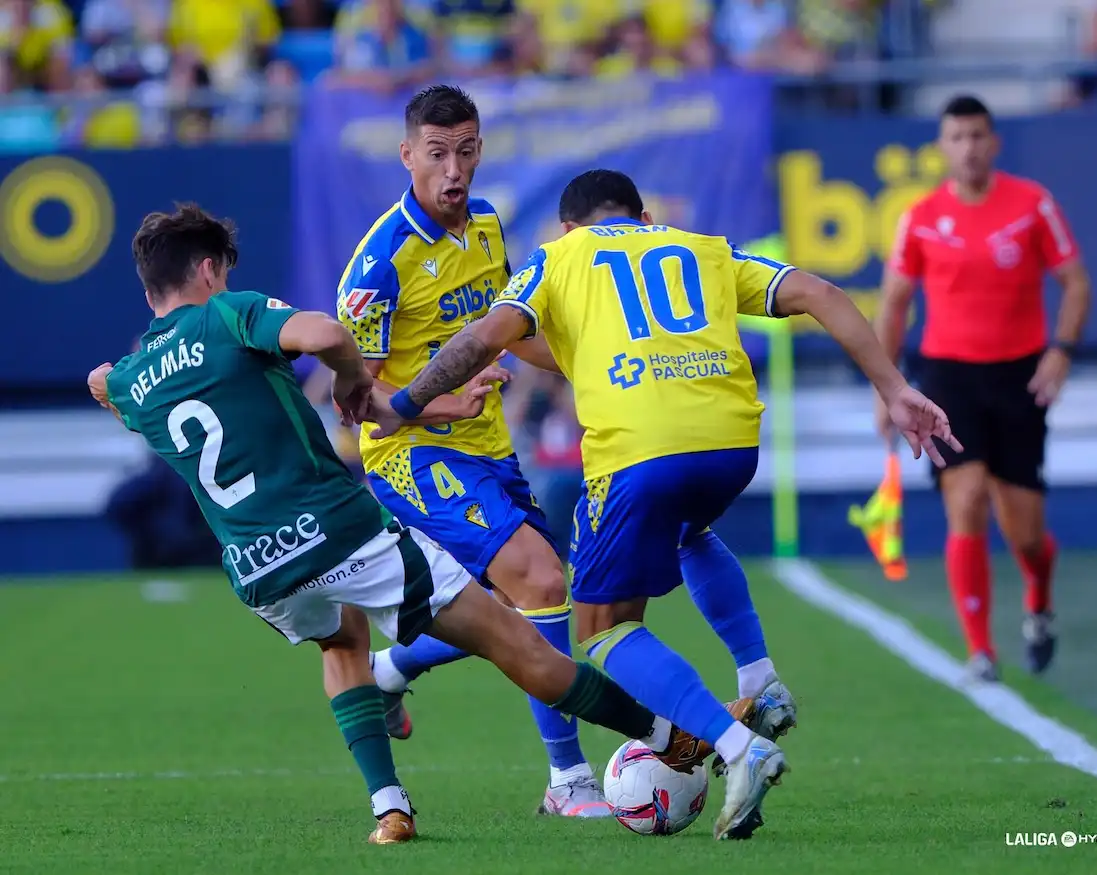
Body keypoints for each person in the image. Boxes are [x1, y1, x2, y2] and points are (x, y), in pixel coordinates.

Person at [85, 203, 756, 845]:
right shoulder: (228, 314)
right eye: (222, 275)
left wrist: (438, 410)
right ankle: (671, 736)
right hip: (341, 531)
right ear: (208, 271)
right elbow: (323, 334)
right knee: (512, 639)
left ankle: (389, 806)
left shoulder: (135, 380)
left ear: (150, 295)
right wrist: (349, 372)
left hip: (260, 570)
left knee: (341, 642)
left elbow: (104, 383)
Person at [363, 169, 960, 839]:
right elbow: (820, 292)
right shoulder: (702, 246)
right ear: (643, 216)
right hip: (734, 446)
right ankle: (758, 674)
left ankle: (735, 750)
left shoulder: (559, 258)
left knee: (599, 628)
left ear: (567, 227)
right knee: (688, 530)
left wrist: (404, 404)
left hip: (639, 455)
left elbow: (481, 338)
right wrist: (894, 388)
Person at [335, 84, 605, 817]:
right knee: (544, 581)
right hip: (412, 456)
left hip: (489, 447)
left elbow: (510, 329)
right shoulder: (377, 267)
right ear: (407, 156)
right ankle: (570, 779)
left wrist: (592, 366)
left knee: (516, 601)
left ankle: (391, 668)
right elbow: (353, 393)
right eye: (437, 154)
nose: (454, 169)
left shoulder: (486, 225)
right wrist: (432, 398)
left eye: (467, 150)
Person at [876, 95, 1091, 682]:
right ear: (943, 147)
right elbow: (894, 305)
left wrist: (1061, 351)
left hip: (1018, 374)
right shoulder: (919, 216)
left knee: (1023, 529)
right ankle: (980, 650)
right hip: (949, 378)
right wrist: (885, 387)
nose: (968, 147)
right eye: (957, 137)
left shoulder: (1032, 203)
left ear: (993, 142)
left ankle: (1038, 598)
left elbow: (1074, 283)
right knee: (965, 499)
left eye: (978, 135)